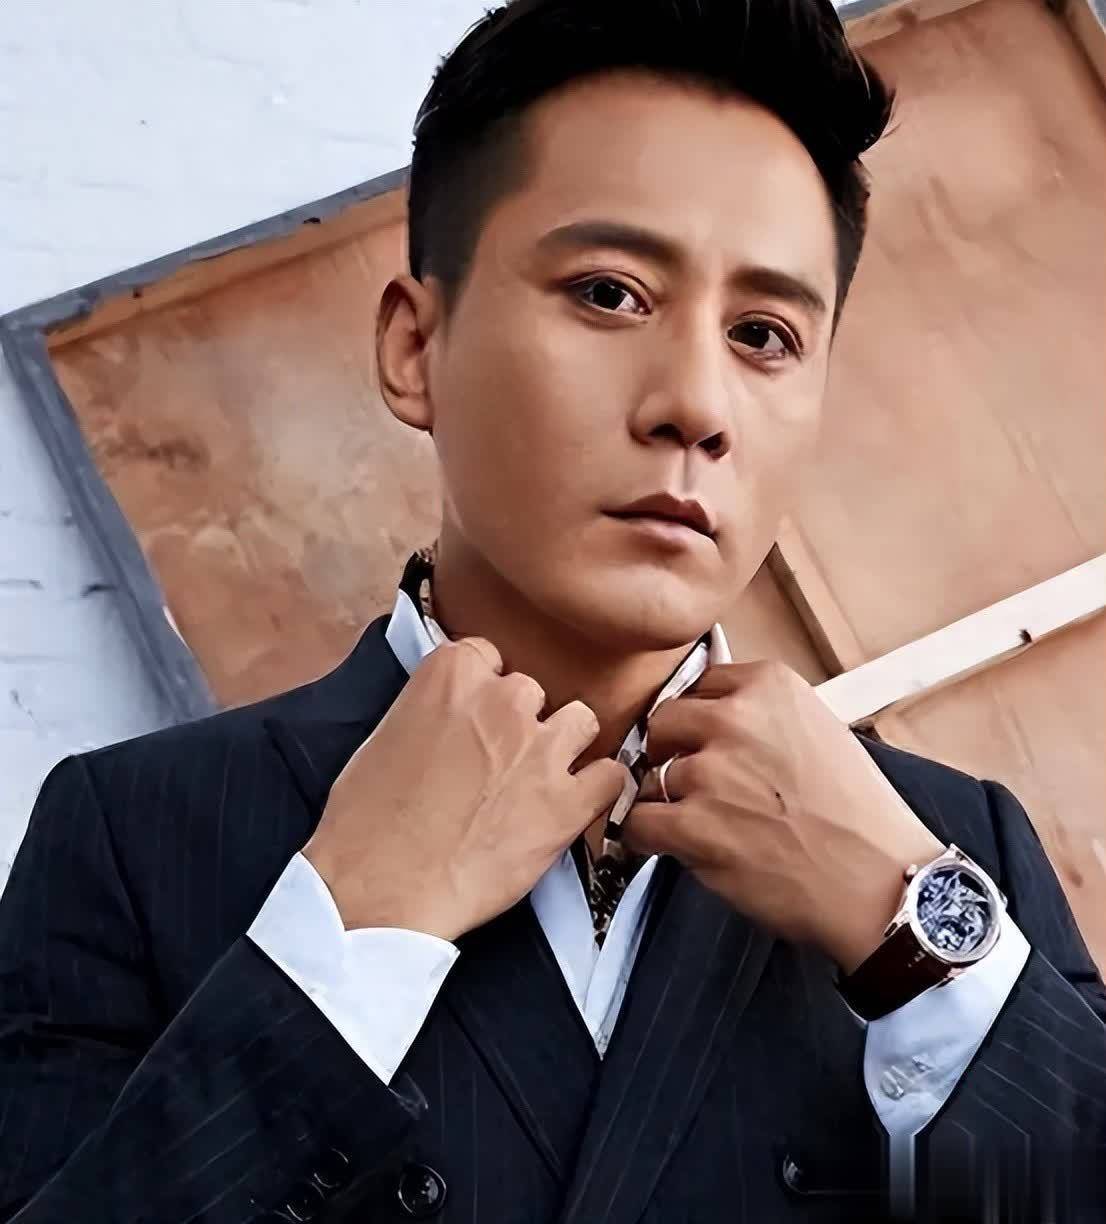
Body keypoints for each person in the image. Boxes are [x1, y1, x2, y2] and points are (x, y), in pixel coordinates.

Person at [1, 1, 1103, 1221]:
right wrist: (352, 932)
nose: (695, 405)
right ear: (414, 347)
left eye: (762, 334)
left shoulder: (955, 851)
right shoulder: (133, 836)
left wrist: (913, 940)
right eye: (609, 294)